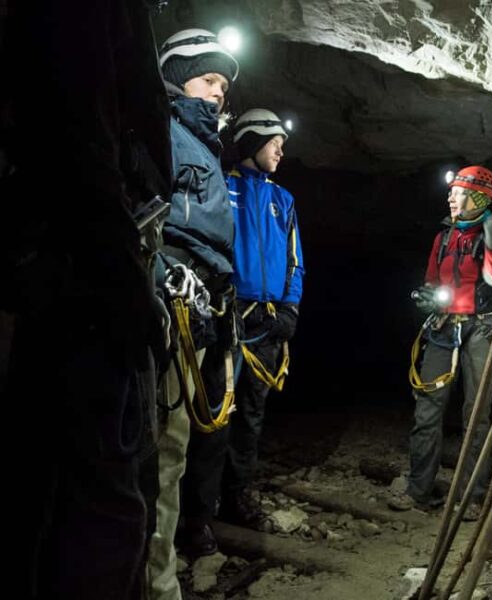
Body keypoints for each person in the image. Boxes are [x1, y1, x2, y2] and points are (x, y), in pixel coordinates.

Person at [1, 1, 172, 598]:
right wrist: (126, 277)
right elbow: (78, 137)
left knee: (70, 490)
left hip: (79, 270)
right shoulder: (84, 16)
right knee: (105, 496)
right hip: (86, 280)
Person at [146, 28, 238, 599]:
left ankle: (158, 578)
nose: (218, 93)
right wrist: (160, 273)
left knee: (175, 450)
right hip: (165, 304)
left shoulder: (205, 147)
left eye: (224, 85)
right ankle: (151, 584)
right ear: (179, 79)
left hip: (195, 306)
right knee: (155, 449)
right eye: (209, 79)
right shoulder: (162, 132)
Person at [389, 166, 492, 521]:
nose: (450, 197)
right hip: (444, 327)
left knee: (477, 414)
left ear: (477, 198)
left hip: (481, 328)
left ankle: (473, 496)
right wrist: (428, 298)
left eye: (458, 192)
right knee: (427, 409)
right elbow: (432, 278)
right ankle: (418, 490)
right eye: (452, 192)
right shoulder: (443, 237)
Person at [218, 108, 305, 526]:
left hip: (267, 323)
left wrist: (289, 307)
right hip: (228, 315)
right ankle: (201, 502)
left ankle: (236, 497)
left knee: (251, 413)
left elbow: (295, 262)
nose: (281, 152)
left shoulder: (282, 200)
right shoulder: (223, 187)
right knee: (215, 409)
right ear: (254, 143)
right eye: (276, 144)